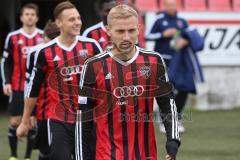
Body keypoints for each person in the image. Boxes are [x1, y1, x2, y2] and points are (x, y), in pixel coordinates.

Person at [80, 4, 180, 160]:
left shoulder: (153, 61)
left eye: (131, 30)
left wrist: (173, 141)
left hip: (145, 154)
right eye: (120, 31)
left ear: (139, 29)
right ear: (108, 30)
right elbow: (83, 118)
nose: (126, 37)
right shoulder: (93, 66)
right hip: (107, 154)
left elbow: (167, 104)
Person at [16, 1, 102, 160]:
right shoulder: (44, 52)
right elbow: (32, 89)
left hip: (87, 119)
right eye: (72, 19)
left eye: (78, 18)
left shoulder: (92, 46)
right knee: (58, 156)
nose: (77, 22)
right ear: (59, 23)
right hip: (58, 118)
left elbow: (104, 81)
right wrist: (24, 121)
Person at [146, 0, 204, 133]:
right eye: (169, 5)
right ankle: (164, 120)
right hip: (163, 60)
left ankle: (177, 118)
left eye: (174, 5)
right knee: (166, 90)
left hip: (180, 61)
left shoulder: (182, 21)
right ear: (165, 6)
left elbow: (190, 36)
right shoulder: (159, 20)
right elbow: (147, 36)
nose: (172, 7)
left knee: (184, 88)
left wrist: (186, 40)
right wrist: (162, 34)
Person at [1, 3, 43, 160]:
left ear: (37, 17)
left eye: (33, 14)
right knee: (15, 121)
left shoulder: (42, 36)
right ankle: (13, 156)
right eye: (27, 14)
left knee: (32, 123)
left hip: (35, 87)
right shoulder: (12, 37)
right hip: (18, 86)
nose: (30, 17)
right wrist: (6, 82)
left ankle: (27, 157)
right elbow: (6, 62)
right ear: (21, 17)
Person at [24, 20, 60, 160]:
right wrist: (31, 113)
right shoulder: (35, 53)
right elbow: (30, 85)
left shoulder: (70, 51)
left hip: (61, 111)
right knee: (45, 149)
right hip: (43, 111)